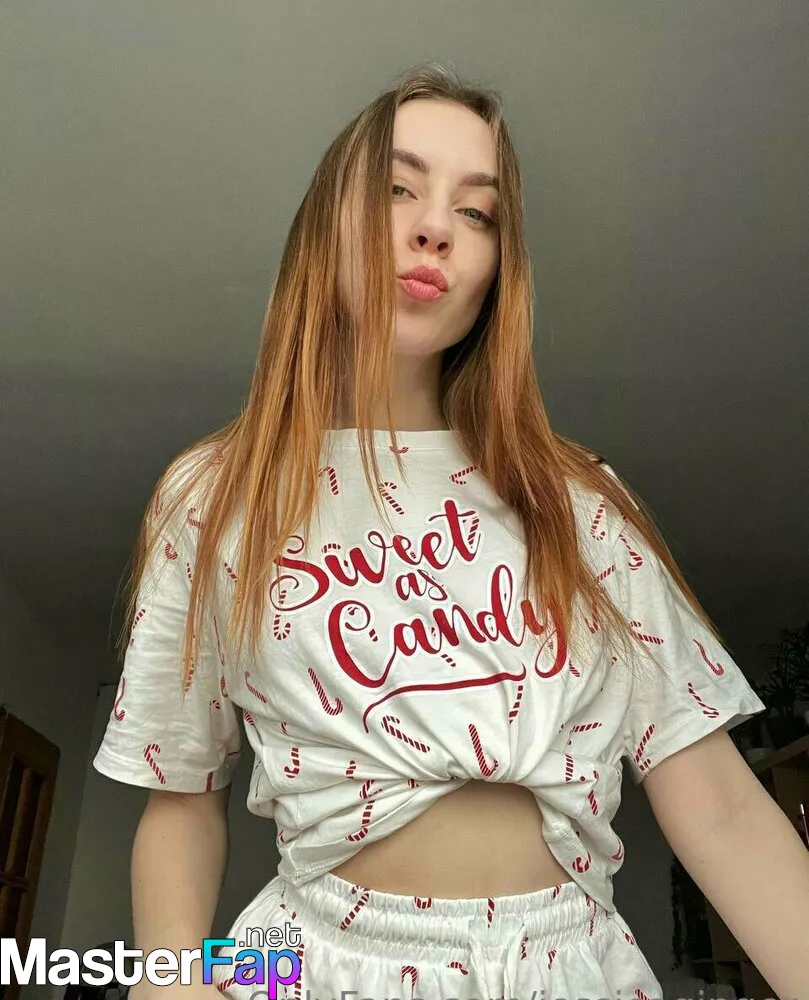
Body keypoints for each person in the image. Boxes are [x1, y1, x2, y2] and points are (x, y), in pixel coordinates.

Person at [92, 63, 809, 1000]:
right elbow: (182, 791)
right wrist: (169, 980)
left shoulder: (578, 499)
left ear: (495, 273)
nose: (435, 227)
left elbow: (717, 808)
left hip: (567, 966)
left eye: (477, 213)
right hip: (309, 960)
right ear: (324, 224)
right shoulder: (215, 495)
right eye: (397, 189)